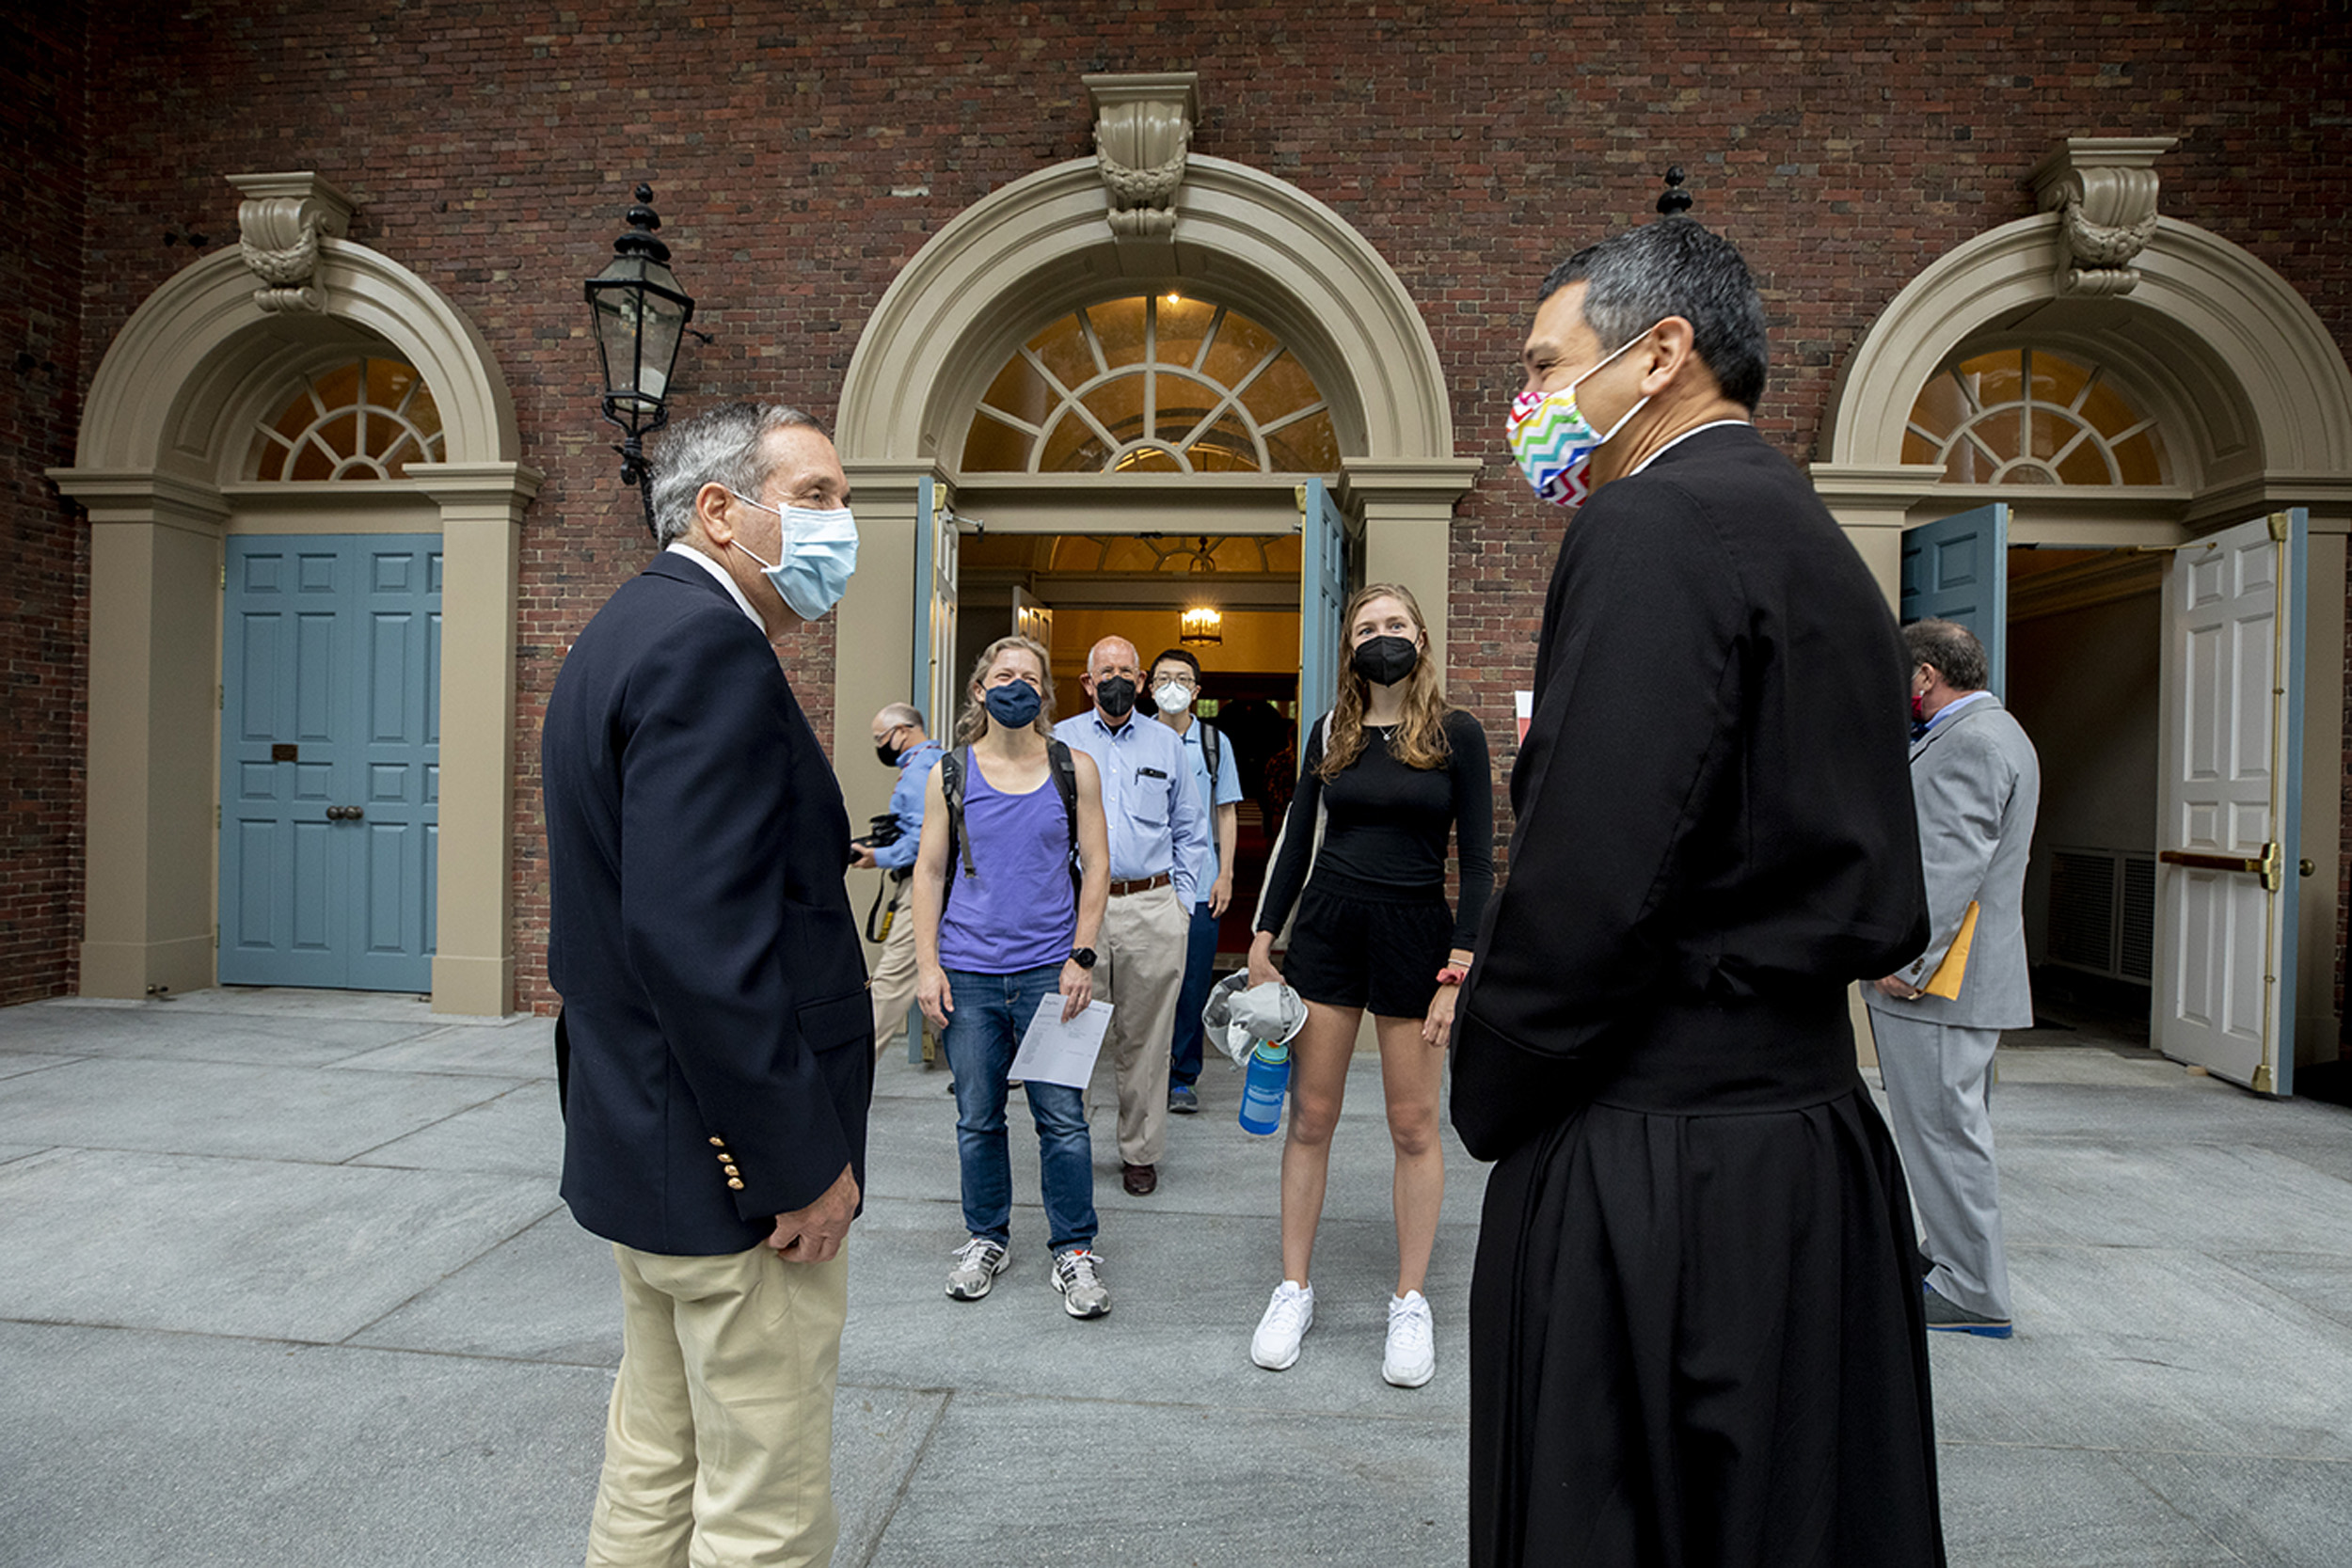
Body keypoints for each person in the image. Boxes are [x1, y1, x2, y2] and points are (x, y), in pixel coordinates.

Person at [1453, 220, 1946, 1565]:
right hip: (1801, 1135)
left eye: (1548, 361)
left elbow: (1592, 865)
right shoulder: (1806, 534)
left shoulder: (1652, 521)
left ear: (1660, 351)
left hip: (1658, 1143)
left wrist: (1492, 1077)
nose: (1531, 401)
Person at [541, 401, 871, 1568]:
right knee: (762, 1500)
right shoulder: (709, 647)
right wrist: (796, 1163)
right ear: (721, 511)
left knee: (657, 1453)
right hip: (736, 1175)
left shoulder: (625, 629)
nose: (845, 522)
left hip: (648, 1142)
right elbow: (696, 944)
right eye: (820, 494)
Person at [1244, 584, 1494, 1389]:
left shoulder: (1457, 734)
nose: (1381, 636)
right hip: (1327, 930)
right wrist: (1261, 938)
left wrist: (1457, 969)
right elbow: (1293, 845)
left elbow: (1482, 863)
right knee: (1310, 1116)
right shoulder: (1331, 729)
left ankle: (1410, 1299)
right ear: (1349, 644)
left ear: (1420, 635)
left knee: (1414, 1123)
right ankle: (1293, 1288)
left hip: (1415, 938)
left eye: (1394, 624)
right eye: (1366, 626)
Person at [913, 635, 1115, 1316]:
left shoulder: (1073, 767)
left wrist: (1081, 954)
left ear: (1045, 696)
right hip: (968, 971)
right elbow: (930, 872)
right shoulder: (951, 771)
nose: (1016, 685)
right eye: (1004, 674)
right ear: (980, 690)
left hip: (1049, 973)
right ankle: (986, 1237)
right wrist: (927, 966)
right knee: (977, 1116)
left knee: (1063, 1119)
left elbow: (1097, 866)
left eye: (1030, 676)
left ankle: (1075, 1251)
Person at [1867, 618, 2041, 1339]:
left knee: (1944, 1133)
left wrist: (1904, 961)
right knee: (1948, 1129)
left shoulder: (1969, 742)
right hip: (1961, 980)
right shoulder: (2000, 732)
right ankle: (1949, 1257)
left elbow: (1948, 867)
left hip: (1941, 984)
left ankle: (1973, 1290)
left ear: (1926, 675)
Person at [1053, 636, 1209, 1196]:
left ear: (1141, 682)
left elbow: (1192, 830)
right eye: (1106, 671)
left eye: (1127, 671)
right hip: (1079, 912)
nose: (1117, 679)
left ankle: (1139, 1153)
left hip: (1152, 906)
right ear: (1089, 682)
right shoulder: (1060, 743)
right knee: (1073, 1035)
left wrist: (1181, 906)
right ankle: (1068, 1147)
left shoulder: (1167, 745)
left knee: (1146, 1040)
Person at [1148, 646, 1243, 1116]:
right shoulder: (1136, 736)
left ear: (1196, 690)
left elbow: (1225, 809)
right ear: (1149, 686)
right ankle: (1146, 1073)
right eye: (1163, 677)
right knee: (1143, 985)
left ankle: (1183, 1077)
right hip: (1146, 885)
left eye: (1182, 678)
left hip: (1200, 885)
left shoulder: (1213, 742)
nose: (1172, 686)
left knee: (1191, 984)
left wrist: (1225, 873)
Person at [856, 702, 945, 1060]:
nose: (879, 746)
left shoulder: (923, 769)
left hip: (921, 885)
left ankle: (857, 1064)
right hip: (932, 883)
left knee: (892, 979)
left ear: (903, 731)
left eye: (881, 738)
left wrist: (879, 856)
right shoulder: (928, 763)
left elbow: (926, 836)